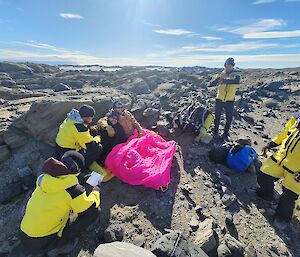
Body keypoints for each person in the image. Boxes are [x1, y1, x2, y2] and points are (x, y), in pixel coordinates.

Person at [18, 151, 101, 256]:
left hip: (23, 233)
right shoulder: (73, 191)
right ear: (77, 170)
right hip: (43, 241)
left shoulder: (42, 179)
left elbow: (60, 186)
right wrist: (96, 191)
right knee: (94, 212)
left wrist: (78, 184)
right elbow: (90, 206)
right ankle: (58, 247)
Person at [257, 112, 300, 228]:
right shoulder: (296, 120)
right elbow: (285, 134)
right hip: (280, 160)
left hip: (296, 172)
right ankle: (266, 195)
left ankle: (283, 218)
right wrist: (271, 144)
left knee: (289, 197)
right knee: (264, 175)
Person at [210, 57, 240, 140]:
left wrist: (224, 80)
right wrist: (219, 78)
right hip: (219, 99)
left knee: (229, 118)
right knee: (217, 117)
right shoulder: (219, 75)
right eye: (228, 65)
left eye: (231, 66)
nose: (229, 67)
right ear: (225, 65)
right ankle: (215, 132)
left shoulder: (236, 75)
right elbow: (211, 83)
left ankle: (225, 134)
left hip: (230, 100)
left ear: (233, 66)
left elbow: (236, 82)